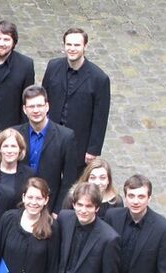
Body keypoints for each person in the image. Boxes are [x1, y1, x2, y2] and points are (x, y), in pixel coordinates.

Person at [42, 27, 111, 173]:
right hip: (52, 137)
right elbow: (44, 99)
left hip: (79, 143)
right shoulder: (53, 66)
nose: (72, 49)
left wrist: (93, 150)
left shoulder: (99, 78)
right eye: (69, 44)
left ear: (85, 46)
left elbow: (100, 118)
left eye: (76, 45)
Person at [15, 85, 78, 215]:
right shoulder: (15, 134)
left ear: (47, 107)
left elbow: (69, 179)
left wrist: (58, 210)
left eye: (39, 105)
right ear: (24, 110)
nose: (36, 110)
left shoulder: (66, 137)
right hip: (19, 202)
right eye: (31, 106)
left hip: (50, 205)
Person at [0, 128, 35, 197]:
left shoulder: (29, 174)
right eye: (5, 146)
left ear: (20, 149)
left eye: (13, 146)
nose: (9, 151)